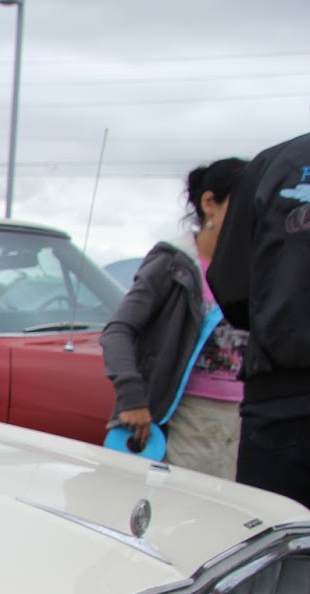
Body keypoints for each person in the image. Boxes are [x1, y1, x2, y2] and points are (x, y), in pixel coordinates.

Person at [101, 159, 248, 478]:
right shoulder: (173, 264)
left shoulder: (254, 268)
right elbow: (118, 330)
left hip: (241, 422)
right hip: (183, 419)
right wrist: (131, 397)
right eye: (246, 204)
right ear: (210, 203)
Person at [207, 132, 310, 508]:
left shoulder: (275, 162)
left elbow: (230, 285)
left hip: (281, 402)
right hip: (280, 397)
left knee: (272, 551)